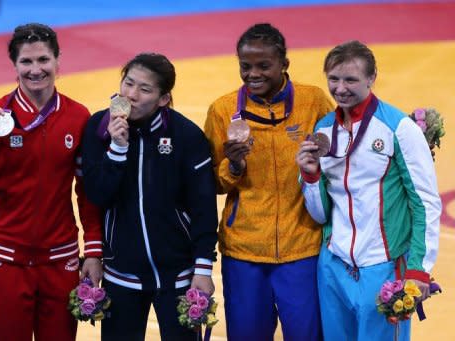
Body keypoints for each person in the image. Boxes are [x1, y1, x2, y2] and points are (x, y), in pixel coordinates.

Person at [0, 23, 103, 341]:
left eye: (44, 60)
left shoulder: (78, 116)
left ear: (59, 61)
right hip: (6, 260)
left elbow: (86, 192)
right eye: (27, 62)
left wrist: (93, 250)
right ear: (14, 66)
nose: (36, 70)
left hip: (60, 262)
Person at [296, 40, 442, 340]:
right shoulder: (324, 129)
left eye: (351, 79)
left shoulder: (398, 128)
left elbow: (425, 203)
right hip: (333, 267)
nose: (340, 88)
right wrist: (310, 178)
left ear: (372, 78)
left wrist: (418, 269)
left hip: (384, 269)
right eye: (333, 79)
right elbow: (321, 214)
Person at [203, 23, 333, 340]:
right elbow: (211, 184)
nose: (253, 74)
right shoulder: (223, 111)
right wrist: (234, 165)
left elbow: (337, 161)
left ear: (284, 64)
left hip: (302, 248)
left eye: (264, 65)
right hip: (244, 252)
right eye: (245, 66)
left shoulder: (313, 102)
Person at [81, 52, 218, 341]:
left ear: (164, 98)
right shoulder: (98, 127)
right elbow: (95, 194)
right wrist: (118, 149)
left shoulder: (186, 136)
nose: (131, 95)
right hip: (121, 274)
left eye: (144, 89)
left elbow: (204, 207)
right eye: (128, 83)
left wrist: (203, 268)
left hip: (179, 275)